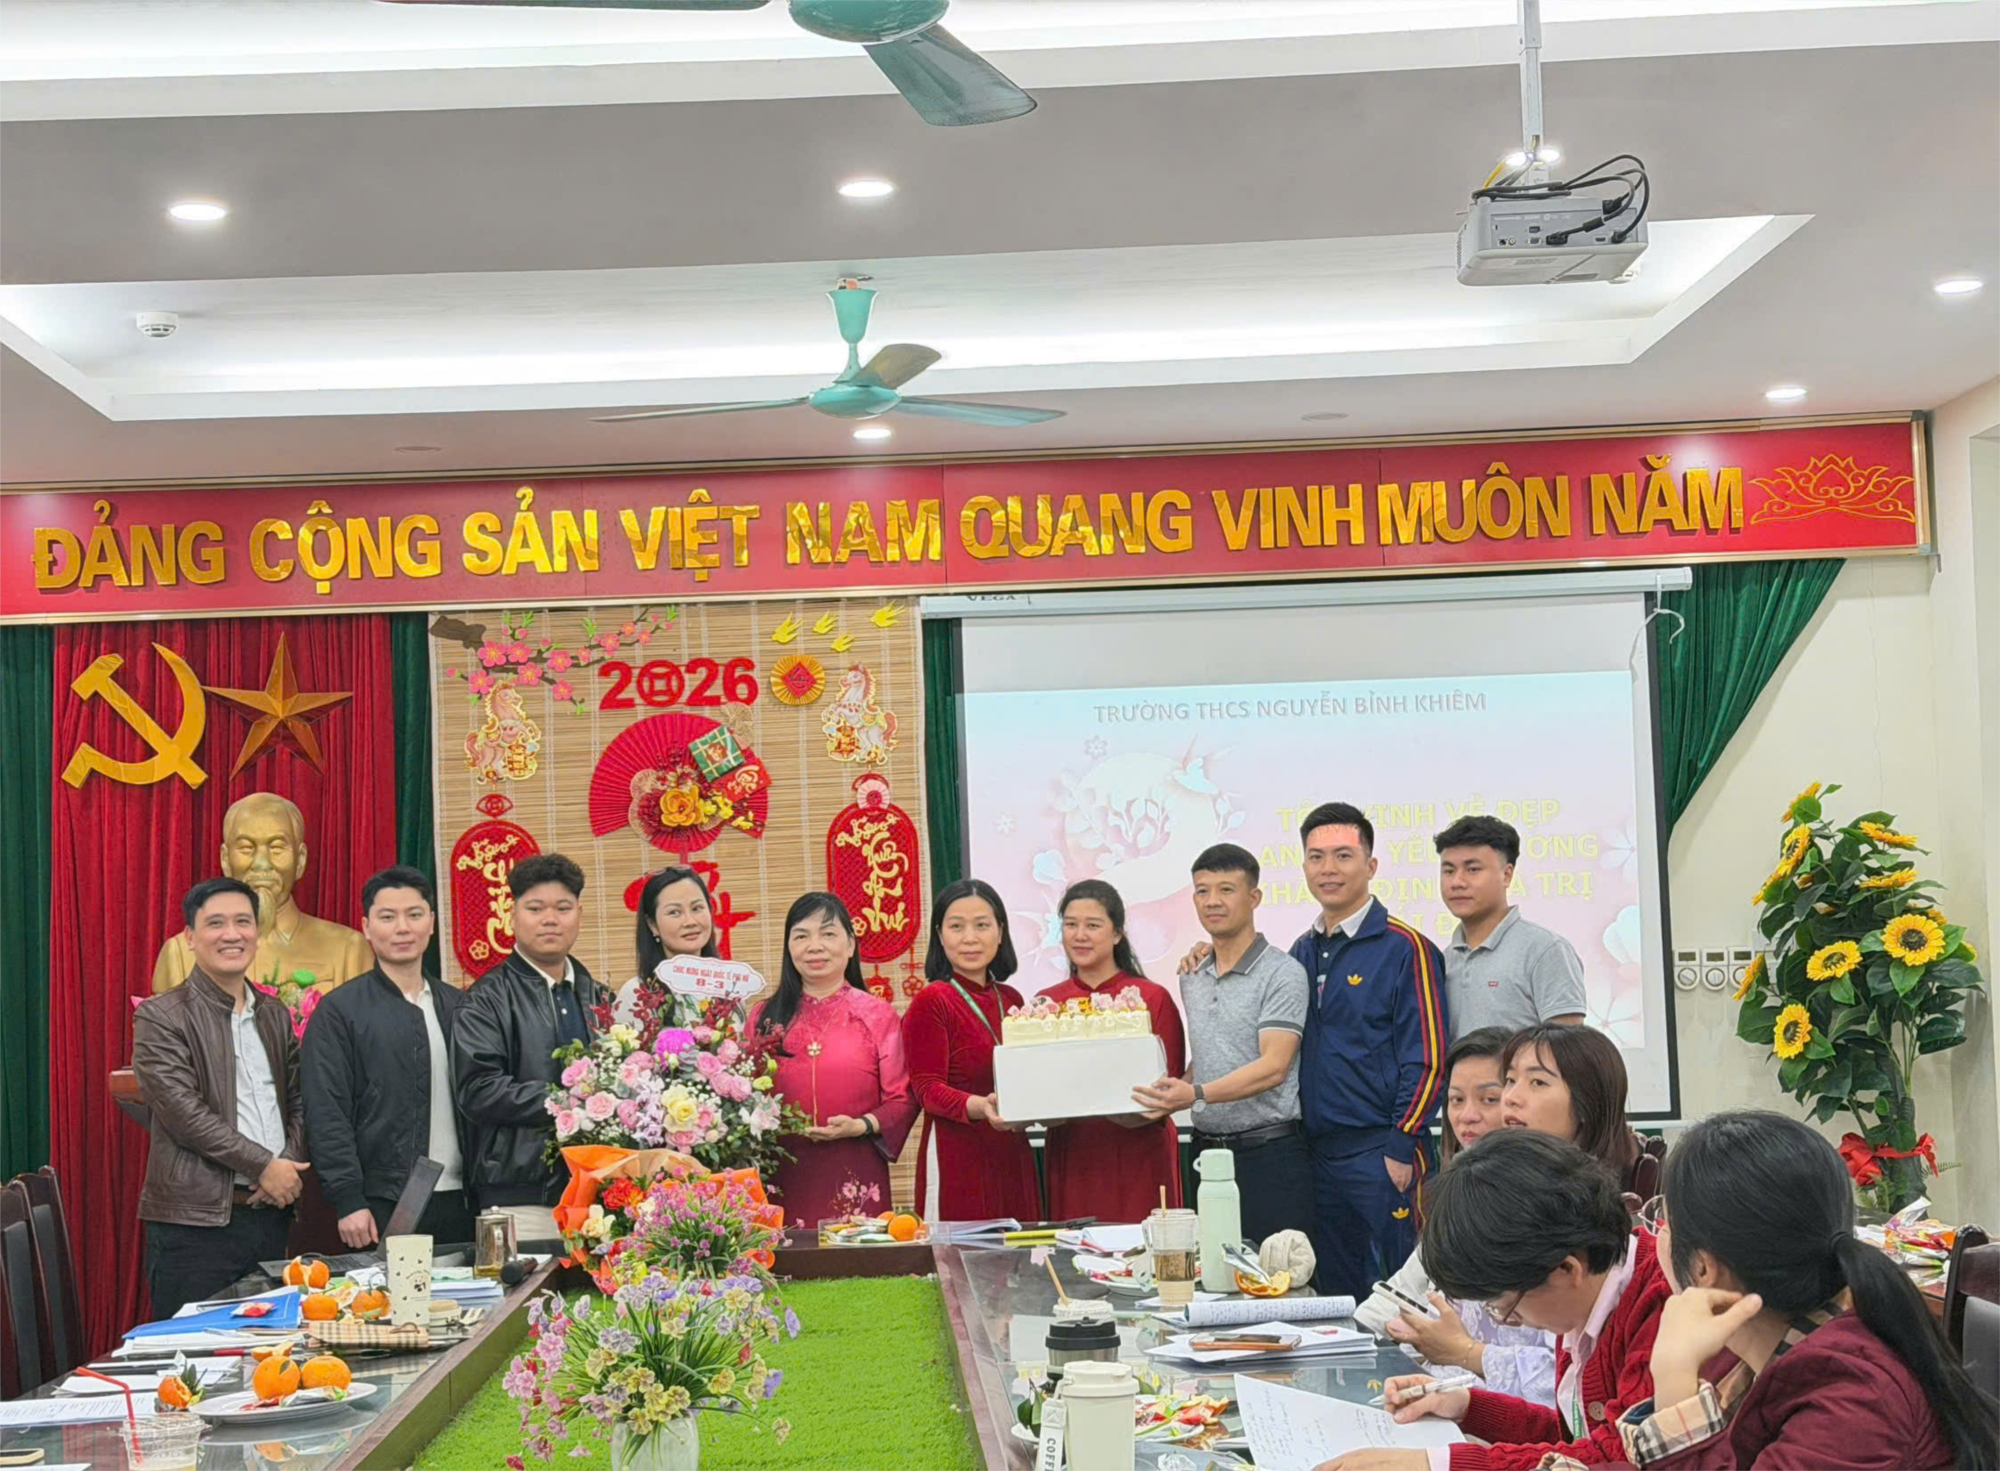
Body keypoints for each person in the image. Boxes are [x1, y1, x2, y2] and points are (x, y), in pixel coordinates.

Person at [1609, 1111, 1998, 1471]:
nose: (1656, 1234)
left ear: (1703, 1267)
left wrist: (1674, 1383)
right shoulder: (1773, 1350)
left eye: (1663, 1219)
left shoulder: (1853, 1400)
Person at [1316, 1130, 1673, 1471]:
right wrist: (1468, 1406)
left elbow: (1615, 1458)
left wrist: (1438, 1464)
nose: (1511, 1320)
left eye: (1505, 1308)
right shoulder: (1584, 1294)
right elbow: (1572, 1437)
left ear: (1566, 1269)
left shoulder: (1660, 1308)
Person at [1289, 801, 1449, 1299]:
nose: (1328, 869)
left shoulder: (1405, 948)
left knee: (1406, 1293)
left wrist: (1401, 1143)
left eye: (1343, 856)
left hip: (1383, 1152)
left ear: (1371, 865)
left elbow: (1429, 1057)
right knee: (1338, 1295)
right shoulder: (1301, 951)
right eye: (1316, 857)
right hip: (1317, 1155)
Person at [132, 877, 310, 1319]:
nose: (232, 934)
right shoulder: (161, 1016)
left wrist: (287, 1164)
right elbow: (182, 1113)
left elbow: (300, 1101)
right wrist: (264, 1165)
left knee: (270, 1349)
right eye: (216, 923)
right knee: (197, 1351)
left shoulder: (274, 1015)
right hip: (195, 1226)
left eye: (243, 922)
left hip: (270, 1214)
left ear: (257, 932)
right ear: (190, 937)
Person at [1355, 1027, 1557, 1410]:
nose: (1467, 1116)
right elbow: (1397, 1294)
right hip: (1449, 1400)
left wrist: (1459, 1350)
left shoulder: (1552, 1209)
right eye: (1456, 1100)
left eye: (1489, 1099)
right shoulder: (1462, 1193)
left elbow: (1557, 1377)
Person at [1137, 844, 1313, 1247]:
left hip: (1269, 1154)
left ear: (1254, 897)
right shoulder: (1192, 973)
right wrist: (1170, 1091)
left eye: (1226, 890)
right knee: (1211, 1273)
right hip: (1205, 1154)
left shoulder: (1283, 972)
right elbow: (1211, 1055)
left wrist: (1195, 1094)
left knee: (1276, 1274)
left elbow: (1274, 1067)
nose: (1212, 901)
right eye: (1202, 891)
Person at [301, 865, 474, 1249]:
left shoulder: (459, 1007)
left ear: (431, 923)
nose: (403, 928)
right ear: (366, 927)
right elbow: (326, 1112)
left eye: (414, 915)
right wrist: (348, 1199)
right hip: (384, 1200)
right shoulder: (340, 1012)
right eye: (387, 917)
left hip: (462, 1198)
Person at [452, 853, 603, 1236]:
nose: (550, 919)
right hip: (518, 1196)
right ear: (513, 915)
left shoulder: (601, 998)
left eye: (562, 908)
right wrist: (569, 1101)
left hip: (599, 1192)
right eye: (535, 908)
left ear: (579, 915)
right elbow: (478, 1090)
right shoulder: (486, 999)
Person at [750, 893, 917, 1228]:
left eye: (828, 934)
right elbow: (744, 1096)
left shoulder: (877, 1014)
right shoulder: (763, 1017)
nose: (815, 946)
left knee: (853, 1256)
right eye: (801, 936)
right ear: (788, 947)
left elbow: (903, 1099)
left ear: (851, 945)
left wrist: (860, 1125)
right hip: (782, 1169)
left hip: (855, 1164)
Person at [1036, 880, 1186, 1223]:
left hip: (1140, 1154)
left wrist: (1133, 1111)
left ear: (1117, 933)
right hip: (1074, 1153)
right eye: (1070, 925)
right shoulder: (1046, 1003)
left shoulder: (1152, 998)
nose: (1079, 935)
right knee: (1075, 1248)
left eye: (1093, 925)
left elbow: (1171, 1082)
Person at [901, 879, 1043, 1222]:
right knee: (961, 1253)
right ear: (939, 935)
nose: (970, 938)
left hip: (1012, 1151)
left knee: (1021, 1249)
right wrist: (981, 1106)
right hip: (957, 1155)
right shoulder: (932, 1000)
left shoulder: (1012, 999)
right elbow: (927, 1090)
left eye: (982, 925)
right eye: (956, 926)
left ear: (1000, 932)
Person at [153, 792, 373, 994]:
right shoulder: (181, 955)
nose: (261, 863)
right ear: (225, 860)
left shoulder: (349, 951)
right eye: (246, 848)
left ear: (300, 860)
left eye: (276, 848)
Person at [1434, 816, 1587, 1036]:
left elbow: (1568, 1049)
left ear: (1507, 875)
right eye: (1448, 871)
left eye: (1473, 869)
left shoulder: (1545, 950)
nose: (1457, 882)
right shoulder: (1443, 961)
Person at [1501, 1022, 1663, 1201]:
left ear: (1588, 1101)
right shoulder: (1499, 1179)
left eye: (1538, 1082)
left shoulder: (1593, 1204)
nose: (1510, 1097)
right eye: (1510, 1080)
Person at [609, 866, 724, 1040]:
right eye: (674, 912)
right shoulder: (636, 994)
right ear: (652, 925)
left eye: (697, 908)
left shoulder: (728, 988)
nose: (690, 921)